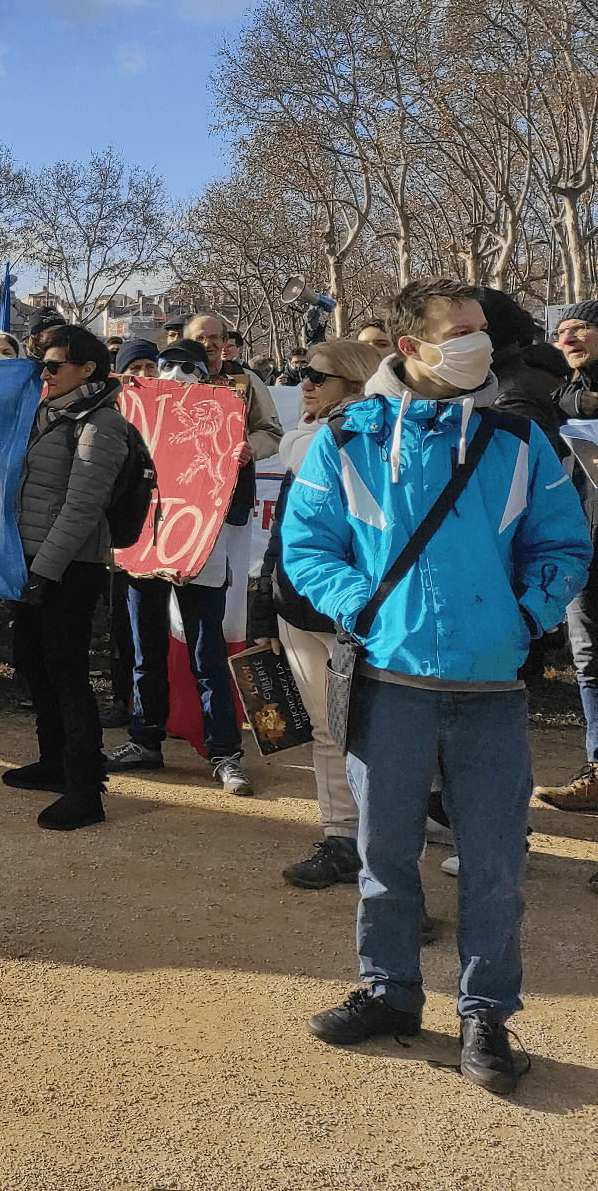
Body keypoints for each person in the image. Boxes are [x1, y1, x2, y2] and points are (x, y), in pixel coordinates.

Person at [285, 278, 588, 1096]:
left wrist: (522, 618)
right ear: (410, 347)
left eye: (482, 330)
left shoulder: (521, 442)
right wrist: (365, 611)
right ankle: (391, 992)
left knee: (493, 862)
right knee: (385, 853)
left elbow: (564, 545)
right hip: (389, 682)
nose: (480, 344)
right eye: (461, 331)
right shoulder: (347, 437)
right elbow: (309, 547)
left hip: (491, 689)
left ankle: (485, 1011)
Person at [107, 313, 281, 796]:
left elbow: (273, 432)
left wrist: (244, 448)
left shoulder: (241, 390)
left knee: (208, 652)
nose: (178, 376)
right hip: (147, 540)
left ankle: (224, 751)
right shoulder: (138, 403)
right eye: (168, 365)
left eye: (206, 348)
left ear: (221, 351)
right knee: (146, 648)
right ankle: (145, 737)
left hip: (205, 539)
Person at [248, 339, 383, 887]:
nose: (302, 382)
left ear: (354, 385)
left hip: (359, 612)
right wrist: (265, 612)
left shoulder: (367, 438)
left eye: (316, 376)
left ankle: (384, 847)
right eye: (302, 372)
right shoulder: (305, 438)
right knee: (330, 730)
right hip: (303, 607)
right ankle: (342, 838)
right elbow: (285, 535)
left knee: (376, 734)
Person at [1, 324, 133, 830]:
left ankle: (86, 789)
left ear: (87, 370)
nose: (46, 373)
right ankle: (52, 762)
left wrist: (44, 572)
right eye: (42, 365)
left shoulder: (101, 425)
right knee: (34, 662)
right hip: (33, 563)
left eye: (54, 365)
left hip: (69, 570)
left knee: (68, 673)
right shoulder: (48, 415)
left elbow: (81, 509)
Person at [542, 299, 598, 813]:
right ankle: (596, 770)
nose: (569, 337)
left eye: (580, 328)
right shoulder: (555, 401)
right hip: (582, 550)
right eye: (561, 331)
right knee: (588, 661)